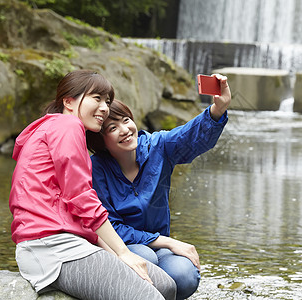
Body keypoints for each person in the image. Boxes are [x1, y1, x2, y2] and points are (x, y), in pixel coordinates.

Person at [9, 69, 177, 300]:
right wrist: (122, 252)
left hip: (74, 241)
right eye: (96, 98)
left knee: (166, 285)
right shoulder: (66, 126)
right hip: (51, 246)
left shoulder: (57, 128)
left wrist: (117, 255)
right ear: (69, 101)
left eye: (107, 101)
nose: (104, 108)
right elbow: (81, 197)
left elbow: (76, 210)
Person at [86, 74, 231, 299]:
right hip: (124, 247)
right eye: (112, 128)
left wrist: (217, 110)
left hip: (159, 246)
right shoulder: (96, 168)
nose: (124, 130)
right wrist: (170, 242)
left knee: (184, 276)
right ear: (100, 141)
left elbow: (190, 137)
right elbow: (109, 225)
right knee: (147, 258)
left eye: (126, 120)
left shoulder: (158, 146)